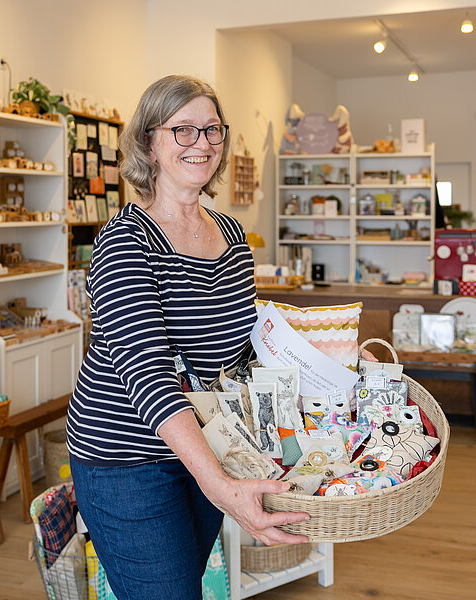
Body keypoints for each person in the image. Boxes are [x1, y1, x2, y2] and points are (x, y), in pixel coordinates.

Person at [67, 75, 309, 600]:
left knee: (185, 587)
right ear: (149, 142)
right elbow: (148, 376)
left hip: (207, 446)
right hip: (126, 460)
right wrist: (220, 486)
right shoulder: (125, 241)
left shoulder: (232, 235)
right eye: (182, 129)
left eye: (212, 129)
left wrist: (322, 370)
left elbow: (239, 356)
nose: (201, 142)